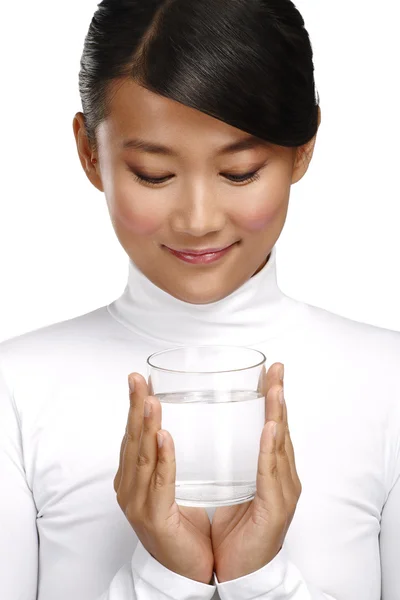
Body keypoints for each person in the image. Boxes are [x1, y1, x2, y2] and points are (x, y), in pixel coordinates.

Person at [0, 0, 399, 598]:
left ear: (304, 148)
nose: (197, 220)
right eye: (153, 175)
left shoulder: (388, 384)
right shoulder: (15, 393)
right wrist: (166, 576)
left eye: (239, 172)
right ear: (89, 151)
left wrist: (259, 578)